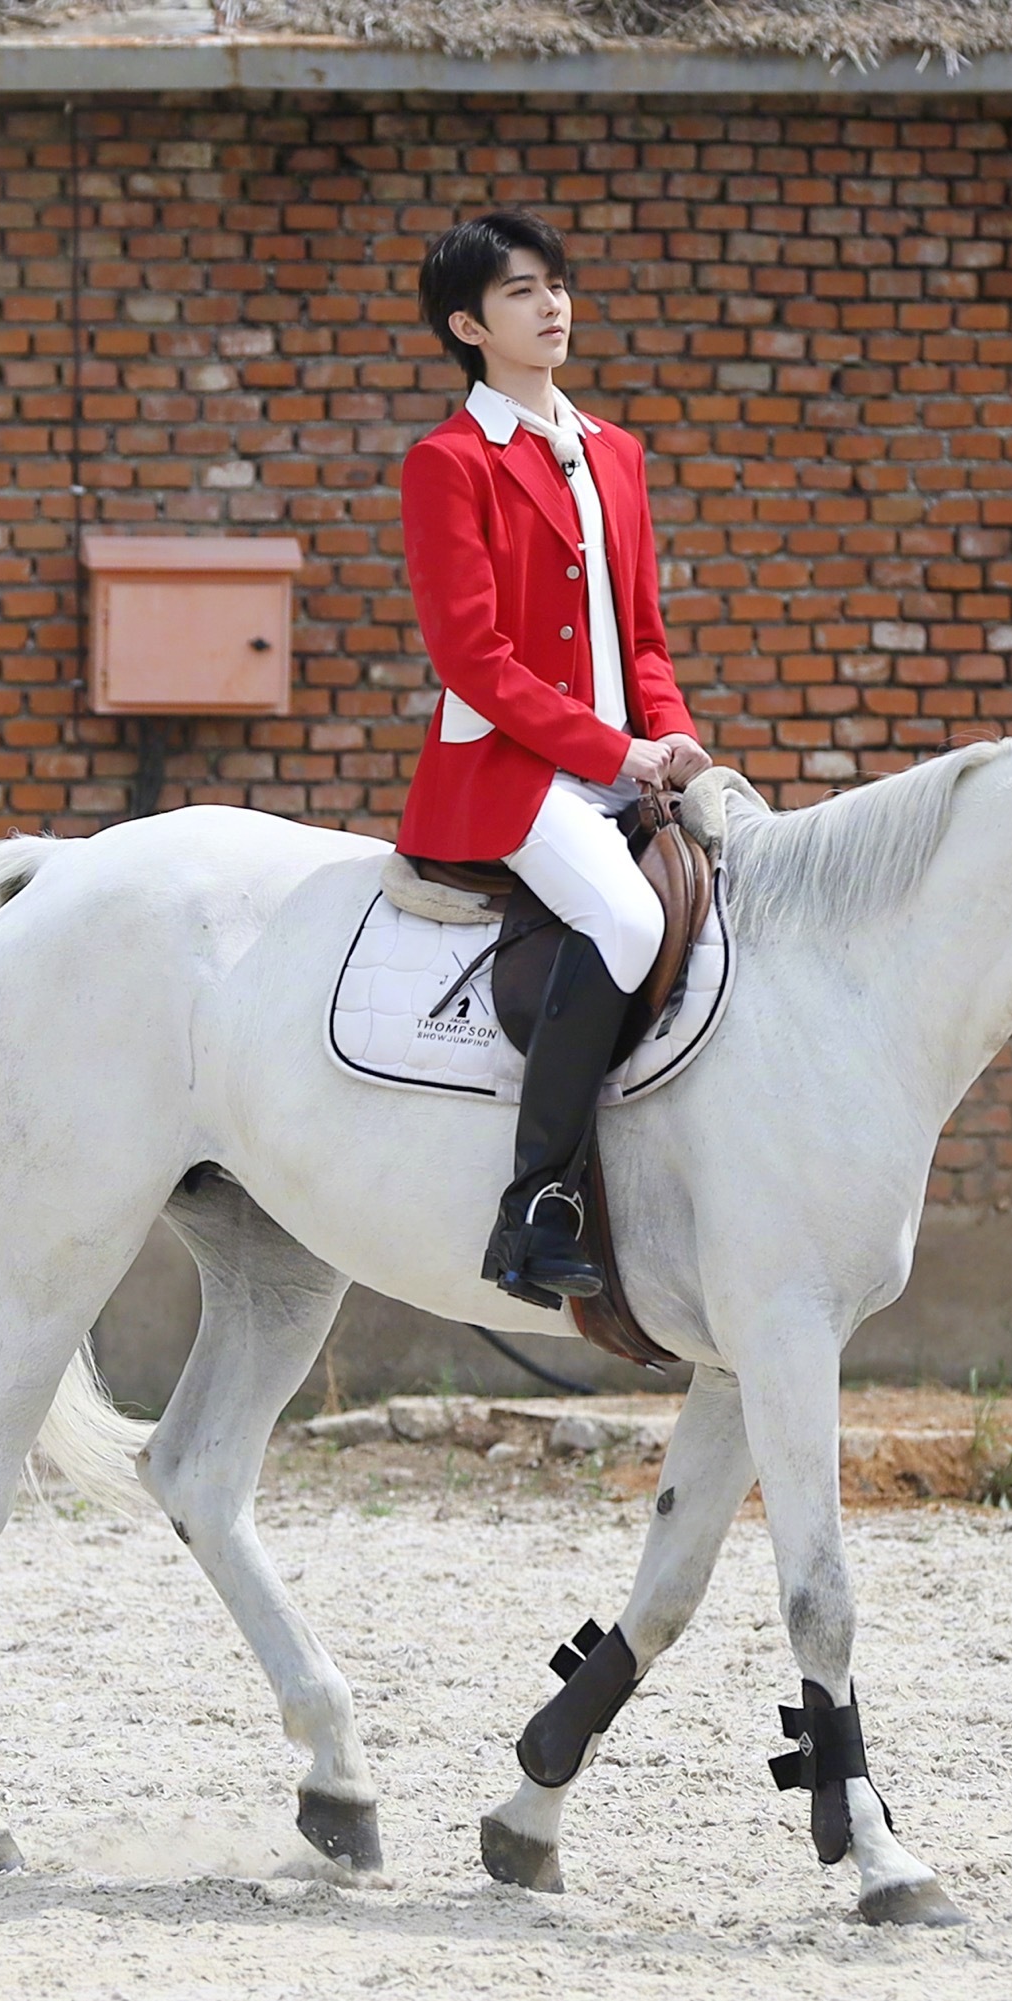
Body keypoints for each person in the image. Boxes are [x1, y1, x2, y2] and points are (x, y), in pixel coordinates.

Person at [397, 211, 711, 1308]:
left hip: (624, 764)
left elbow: (643, 638)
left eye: (557, 286)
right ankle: (535, 1203)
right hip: (508, 778)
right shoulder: (445, 465)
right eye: (523, 292)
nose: (553, 306)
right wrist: (614, 751)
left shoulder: (614, 454)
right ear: (467, 325)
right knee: (624, 921)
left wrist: (666, 734)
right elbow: (473, 661)